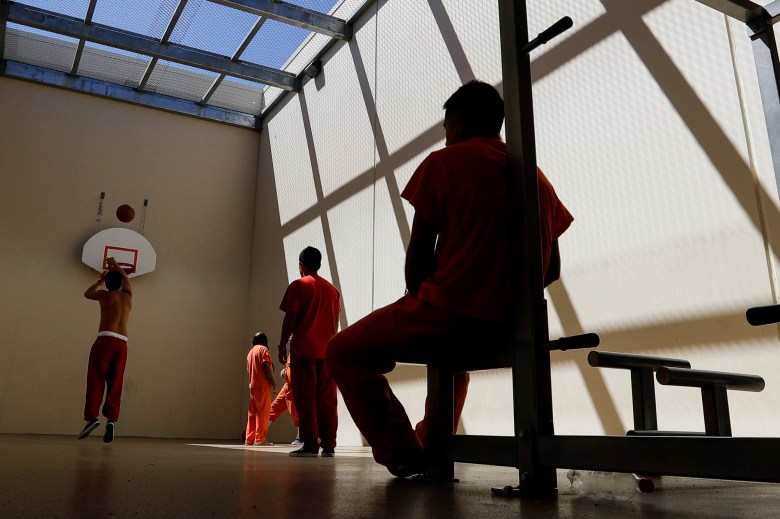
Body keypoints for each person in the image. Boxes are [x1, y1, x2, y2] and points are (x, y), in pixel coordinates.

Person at [325, 80, 574, 477]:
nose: (445, 139)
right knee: (455, 367)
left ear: (456, 123)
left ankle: (406, 453)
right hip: (509, 326)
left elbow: (417, 261)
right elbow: (553, 269)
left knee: (341, 351)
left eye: (445, 130)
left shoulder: (446, 162)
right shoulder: (537, 179)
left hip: (447, 314)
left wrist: (423, 298)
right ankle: (428, 440)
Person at [278, 246, 341, 457]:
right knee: (327, 399)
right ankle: (329, 444)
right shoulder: (332, 290)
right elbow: (335, 322)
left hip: (304, 350)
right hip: (327, 351)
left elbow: (290, 318)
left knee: (305, 399)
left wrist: (281, 345)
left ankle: (311, 444)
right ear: (319, 264)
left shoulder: (298, 286)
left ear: (301, 265)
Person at [79, 257, 133, 443]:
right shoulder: (128, 297)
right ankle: (111, 420)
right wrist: (116, 265)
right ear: (120, 284)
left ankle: (92, 418)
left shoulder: (103, 295)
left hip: (105, 340)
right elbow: (127, 281)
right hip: (122, 344)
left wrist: (100, 280)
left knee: (96, 378)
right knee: (115, 381)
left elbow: (87, 293)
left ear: (107, 285)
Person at [245, 332, 277, 446]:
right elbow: (266, 366)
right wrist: (273, 383)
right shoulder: (263, 350)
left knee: (252, 413)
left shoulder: (250, 352)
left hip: (252, 386)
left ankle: (249, 438)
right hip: (263, 385)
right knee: (263, 413)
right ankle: (260, 439)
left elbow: (249, 370)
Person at [269, 355, 301, 445]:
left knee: (296, 413)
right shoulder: (291, 354)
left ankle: (300, 437)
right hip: (287, 385)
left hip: (296, 385)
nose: (290, 340)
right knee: (273, 408)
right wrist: (285, 370)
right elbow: (289, 367)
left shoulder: (302, 350)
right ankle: (259, 434)